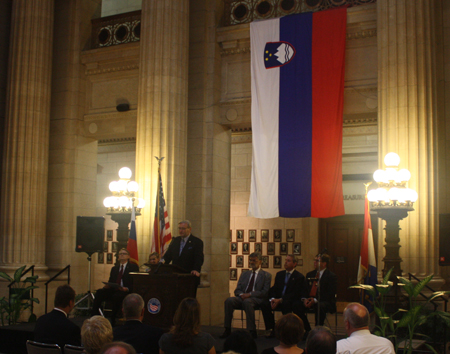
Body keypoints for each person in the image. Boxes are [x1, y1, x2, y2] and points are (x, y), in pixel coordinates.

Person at [221, 252, 272, 339]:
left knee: (248, 302)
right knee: (229, 300)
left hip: (257, 299)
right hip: (243, 298)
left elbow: (264, 292)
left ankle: (252, 330)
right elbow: (237, 289)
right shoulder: (245, 274)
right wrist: (242, 294)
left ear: (260, 262)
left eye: (254, 260)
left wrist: (250, 294)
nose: (252, 262)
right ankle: (227, 329)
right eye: (250, 260)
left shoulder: (266, 275)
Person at [261, 255, 308, 338]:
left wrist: (280, 300)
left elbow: (295, 293)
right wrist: (273, 299)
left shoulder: (299, 277)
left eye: (288, 261)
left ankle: (287, 330)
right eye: (285, 260)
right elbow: (274, 288)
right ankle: (273, 328)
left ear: (294, 264)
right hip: (278, 299)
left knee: (286, 304)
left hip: (289, 300)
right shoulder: (280, 274)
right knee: (264, 304)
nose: (285, 262)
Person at [92, 248, 139, 325]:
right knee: (99, 292)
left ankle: (113, 319)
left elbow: (135, 282)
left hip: (125, 291)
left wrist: (126, 289)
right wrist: (107, 286)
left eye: (124, 254)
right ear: (118, 257)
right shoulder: (114, 268)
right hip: (114, 289)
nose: (122, 255)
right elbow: (111, 281)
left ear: (128, 257)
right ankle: (94, 316)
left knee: (117, 296)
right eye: (120, 254)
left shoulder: (133, 267)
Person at [293, 253, 337, 332]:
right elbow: (304, 289)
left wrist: (315, 300)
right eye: (315, 260)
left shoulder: (331, 276)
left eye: (317, 261)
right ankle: (307, 329)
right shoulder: (310, 274)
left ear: (324, 263)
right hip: (310, 299)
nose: (314, 262)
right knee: (296, 305)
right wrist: (305, 299)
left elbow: (329, 293)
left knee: (319, 306)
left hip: (323, 301)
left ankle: (317, 330)